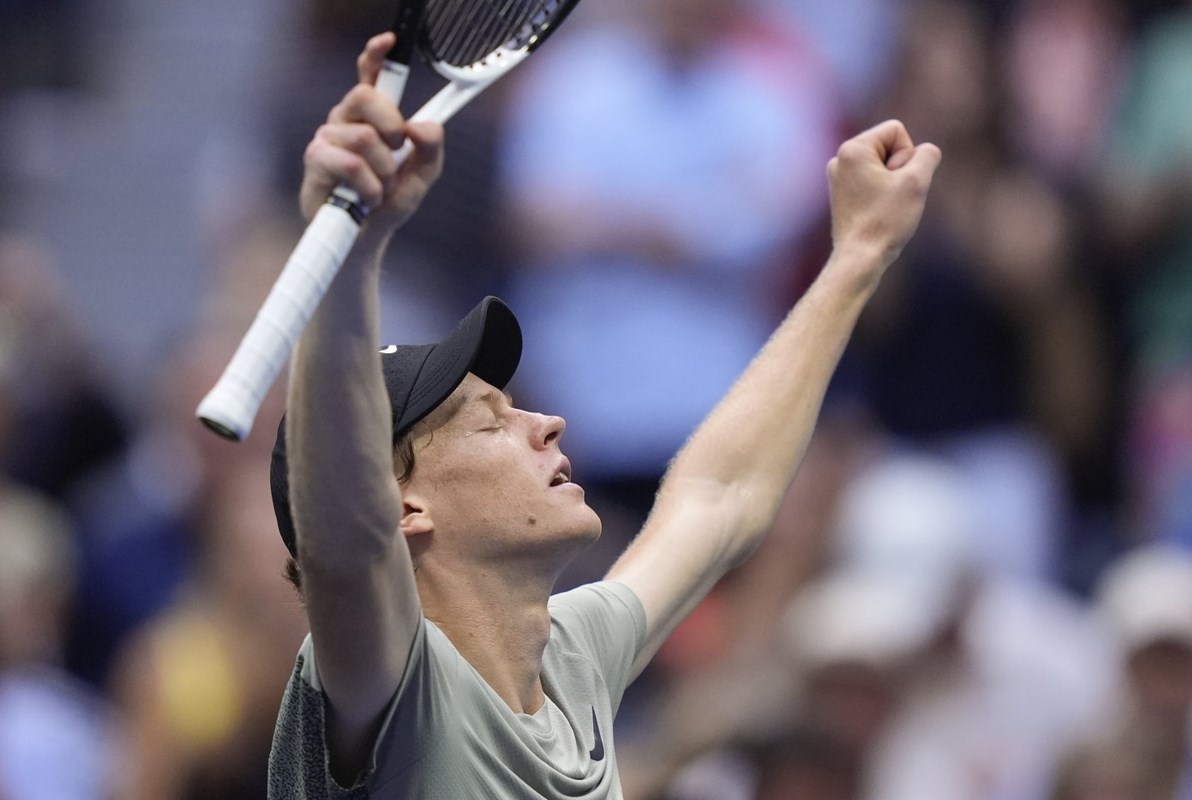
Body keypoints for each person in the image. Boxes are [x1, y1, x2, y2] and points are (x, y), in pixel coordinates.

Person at [263, 31, 940, 798]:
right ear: (404, 506)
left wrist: (857, 254)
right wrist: (350, 247)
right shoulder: (385, 680)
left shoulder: (571, 656)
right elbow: (342, 538)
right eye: (490, 422)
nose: (544, 424)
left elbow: (719, 497)